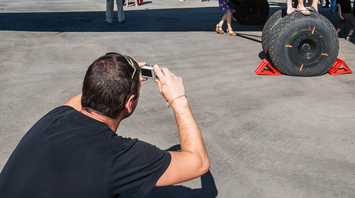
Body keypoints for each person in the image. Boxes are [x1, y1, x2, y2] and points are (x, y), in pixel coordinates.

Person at [0, 53, 210, 197]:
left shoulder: (55, 119)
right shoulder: (117, 155)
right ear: (129, 104)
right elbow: (198, 162)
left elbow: (87, 95)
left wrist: (115, 76)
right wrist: (178, 99)